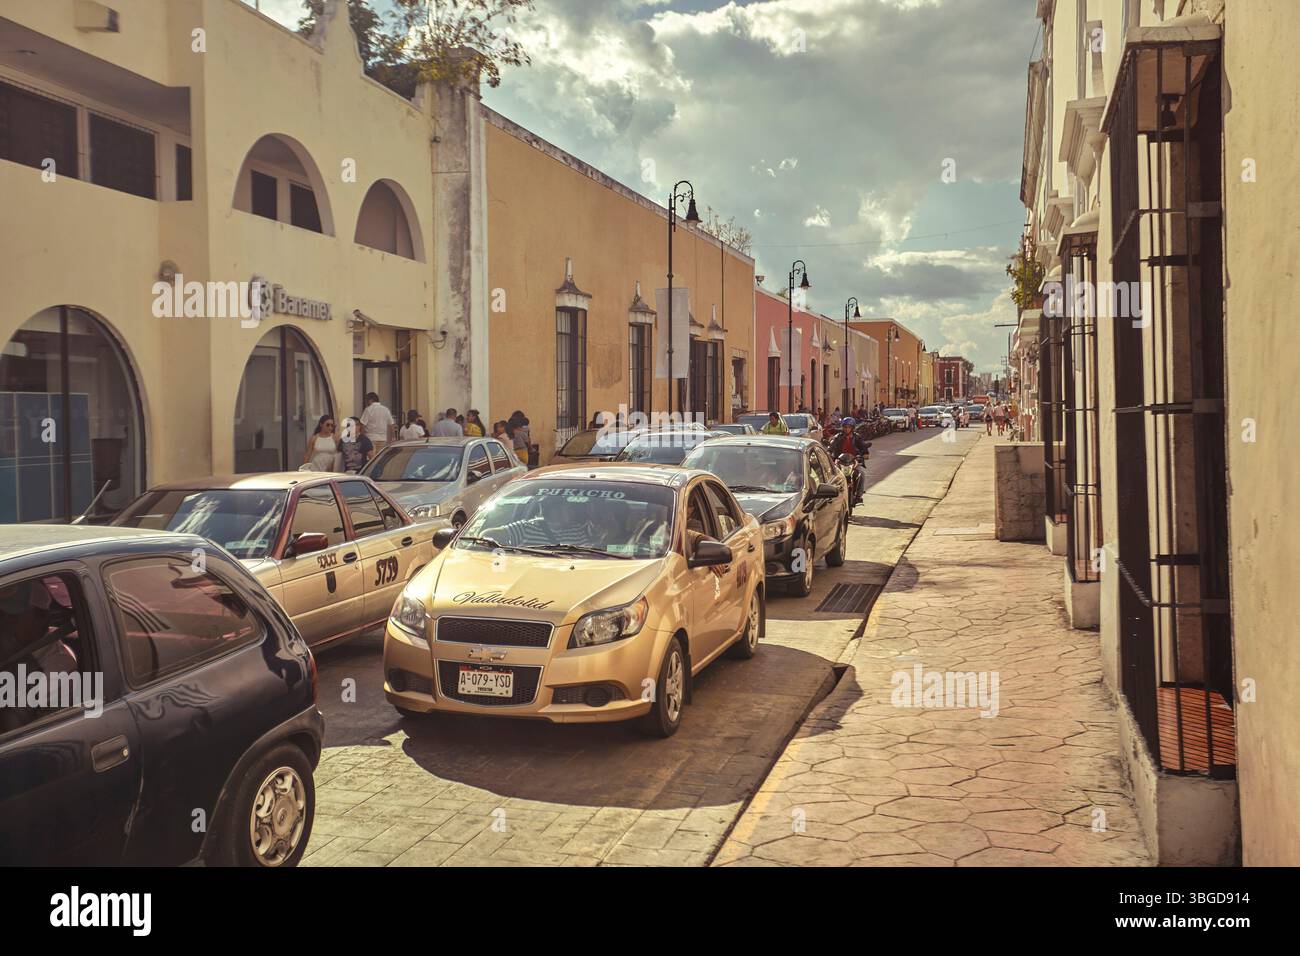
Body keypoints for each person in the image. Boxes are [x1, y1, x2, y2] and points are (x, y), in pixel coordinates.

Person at [828, 418, 869, 504]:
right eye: (845, 427)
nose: (846, 429)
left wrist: (864, 454)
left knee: (861, 474)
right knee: (830, 475)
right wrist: (829, 453)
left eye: (849, 427)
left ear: (852, 428)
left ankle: (859, 495)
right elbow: (831, 447)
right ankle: (830, 496)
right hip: (839, 462)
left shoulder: (857, 437)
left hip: (854, 462)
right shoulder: (837, 437)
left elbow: (864, 449)